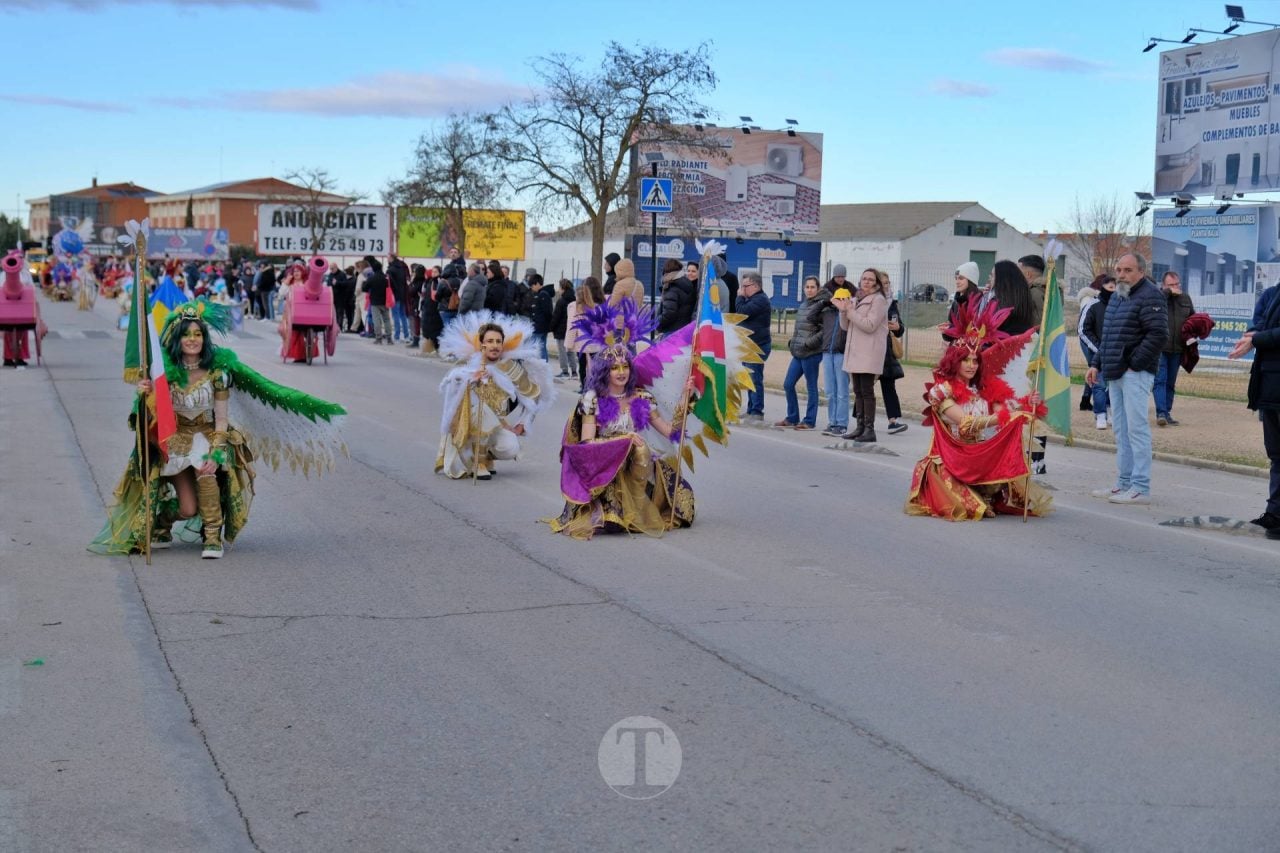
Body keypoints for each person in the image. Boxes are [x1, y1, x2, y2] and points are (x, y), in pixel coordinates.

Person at [89, 301, 346, 558]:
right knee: (188, 509)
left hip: (207, 435)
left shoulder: (218, 373)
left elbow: (222, 418)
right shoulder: (162, 373)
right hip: (176, 441)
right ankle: (163, 521)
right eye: (187, 335)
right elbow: (149, 419)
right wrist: (145, 394)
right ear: (177, 339)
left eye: (198, 334)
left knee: (206, 471)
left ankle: (213, 536)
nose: (192, 340)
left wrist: (216, 451)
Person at [904, 297, 1052, 521]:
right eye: (966, 360)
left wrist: (1027, 404)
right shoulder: (942, 391)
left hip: (979, 456)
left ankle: (985, 491)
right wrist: (1004, 416)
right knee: (970, 507)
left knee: (1002, 468)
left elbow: (1005, 409)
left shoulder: (984, 389)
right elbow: (966, 423)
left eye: (975, 360)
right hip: (951, 460)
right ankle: (976, 494)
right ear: (955, 362)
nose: (972, 365)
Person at [1085, 253, 1168, 505]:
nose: (1121, 274)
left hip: (1135, 373)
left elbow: (1158, 334)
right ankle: (1123, 483)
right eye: (1118, 269)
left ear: (1141, 271)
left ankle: (1140, 487)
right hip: (1114, 371)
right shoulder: (1118, 297)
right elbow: (1108, 335)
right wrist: (1096, 363)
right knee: (1121, 430)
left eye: (1127, 270)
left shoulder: (1151, 295)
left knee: (1137, 429)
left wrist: (1134, 364)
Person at [435, 313, 556, 480]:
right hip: (468, 426)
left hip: (498, 423)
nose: (495, 345)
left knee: (510, 447)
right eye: (490, 341)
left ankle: (488, 457)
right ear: (482, 344)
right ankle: (478, 461)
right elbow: (453, 388)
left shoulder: (510, 367)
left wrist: (522, 424)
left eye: (498, 341)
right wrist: (471, 381)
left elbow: (534, 397)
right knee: (482, 411)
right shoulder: (470, 365)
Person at [1229, 281, 1280, 538]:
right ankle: (1275, 514)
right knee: (1276, 454)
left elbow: (1265, 334)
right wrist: (1250, 337)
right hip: (1270, 385)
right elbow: (1259, 324)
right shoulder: (1272, 293)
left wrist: (1257, 338)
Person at [836, 269, 888, 442]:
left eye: (870, 279)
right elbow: (845, 326)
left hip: (869, 352)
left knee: (866, 390)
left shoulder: (879, 300)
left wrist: (852, 313)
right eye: (863, 278)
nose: (866, 282)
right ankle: (859, 427)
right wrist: (844, 311)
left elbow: (870, 324)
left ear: (876, 283)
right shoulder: (857, 299)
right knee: (857, 390)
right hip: (855, 351)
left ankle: (869, 429)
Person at [777, 275, 826, 430]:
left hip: (811, 353)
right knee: (788, 384)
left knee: (811, 387)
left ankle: (809, 421)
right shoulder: (803, 304)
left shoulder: (822, 305)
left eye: (813, 287)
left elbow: (825, 330)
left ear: (818, 289)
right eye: (807, 287)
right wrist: (793, 343)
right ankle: (792, 417)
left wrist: (808, 343)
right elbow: (799, 328)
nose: (809, 290)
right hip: (798, 352)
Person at [1154, 270, 1195, 426]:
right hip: (1160, 347)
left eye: (1177, 284)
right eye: (1171, 285)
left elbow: (1192, 318)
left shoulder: (1185, 298)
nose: (1175, 287)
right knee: (1160, 380)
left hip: (1178, 348)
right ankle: (1161, 413)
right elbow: (1154, 308)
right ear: (1164, 285)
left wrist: (1194, 333)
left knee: (1170, 382)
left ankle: (1167, 412)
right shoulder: (1158, 297)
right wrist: (1167, 293)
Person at [1079, 274, 1116, 429]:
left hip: (1116, 353)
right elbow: (1083, 329)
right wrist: (1099, 348)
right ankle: (1100, 414)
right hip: (1098, 352)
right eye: (1110, 288)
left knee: (1113, 385)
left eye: (1116, 288)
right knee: (1099, 384)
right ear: (1103, 288)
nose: (1113, 291)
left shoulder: (1121, 305)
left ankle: (1109, 410)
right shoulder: (1093, 305)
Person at [819, 264, 850, 435]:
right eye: (837, 300)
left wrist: (845, 309)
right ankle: (832, 421)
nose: (839, 303)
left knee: (842, 391)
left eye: (842, 300)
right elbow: (811, 315)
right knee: (830, 391)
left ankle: (842, 423)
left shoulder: (847, 315)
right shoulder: (827, 313)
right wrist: (826, 302)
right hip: (827, 353)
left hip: (841, 353)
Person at [737, 271, 772, 421]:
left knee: (755, 377)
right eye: (742, 286)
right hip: (749, 345)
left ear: (756, 285)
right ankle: (751, 408)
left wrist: (739, 296)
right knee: (749, 378)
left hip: (758, 345)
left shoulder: (761, 300)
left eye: (746, 286)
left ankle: (757, 411)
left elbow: (742, 312)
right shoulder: (752, 299)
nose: (743, 289)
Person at [879, 270, 908, 434]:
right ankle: (861, 418)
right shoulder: (871, 301)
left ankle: (893, 421)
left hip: (887, 352)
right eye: (882, 284)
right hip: (873, 351)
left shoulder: (892, 303)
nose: (886, 286)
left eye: (887, 283)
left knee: (889, 386)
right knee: (866, 387)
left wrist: (898, 328)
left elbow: (900, 328)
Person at [941, 262, 980, 342]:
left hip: (972, 351)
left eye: (961, 278)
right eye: (956, 278)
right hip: (956, 350)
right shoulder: (956, 302)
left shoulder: (980, 302)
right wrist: (946, 331)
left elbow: (977, 331)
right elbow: (953, 326)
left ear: (971, 280)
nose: (957, 282)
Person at [658, 261, 698, 337]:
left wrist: (657, 321)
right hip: (682, 329)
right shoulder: (685, 284)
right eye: (688, 271)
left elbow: (669, 313)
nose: (690, 273)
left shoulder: (672, 287)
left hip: (672, 331)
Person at [361, 256, 392, 344]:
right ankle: (389, 338)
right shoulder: (386, 278)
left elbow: (364, 289)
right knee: (387, 320)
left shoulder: (372, 278)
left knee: (376, 320)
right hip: (385, 301)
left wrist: (365, 283)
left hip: (375, 302)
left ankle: (379, 338)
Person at [551, 278, 577, 379]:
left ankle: (565, 371)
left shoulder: (561, 301)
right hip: (571, 329)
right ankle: (574, 372)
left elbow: (556, 316)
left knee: (562, 351)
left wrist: (551, 327)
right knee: (571, 351)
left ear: (563, 288)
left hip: (561, 330)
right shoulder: (575, 300)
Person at [529, 274, 553, 360]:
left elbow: (547, 311)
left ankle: (543, 365)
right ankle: (544, 365)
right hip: (542, 326)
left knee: (538, 347)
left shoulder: (543, 294)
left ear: (538, 284)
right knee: (542, 347)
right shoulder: (543, 293)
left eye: (532, 285)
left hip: (540, 326)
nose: (532, 288)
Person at [387, 254, 410, 342]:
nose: (387, 259)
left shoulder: (391, 270)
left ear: (391, 258)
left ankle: (397, 336)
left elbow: (390, 284)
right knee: (403, 315)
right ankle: (406, 335)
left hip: (394, 295)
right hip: (403, 294)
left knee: (395, 315)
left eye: (388, 258)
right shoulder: (402, 268)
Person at [1019, 254, 1048, 322]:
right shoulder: (1049, 289)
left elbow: (1039, 323)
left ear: (1028, 274)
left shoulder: (1034, 293)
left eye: (1018, 272)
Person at [405, 264, 426, 348]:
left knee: (416, 322)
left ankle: (416, 340)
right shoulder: (424, 281)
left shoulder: (418, 282)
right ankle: (417, 338)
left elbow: (411, 292)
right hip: (418, 303)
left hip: (417, 304)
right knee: (417, 322)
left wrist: (410, 284)